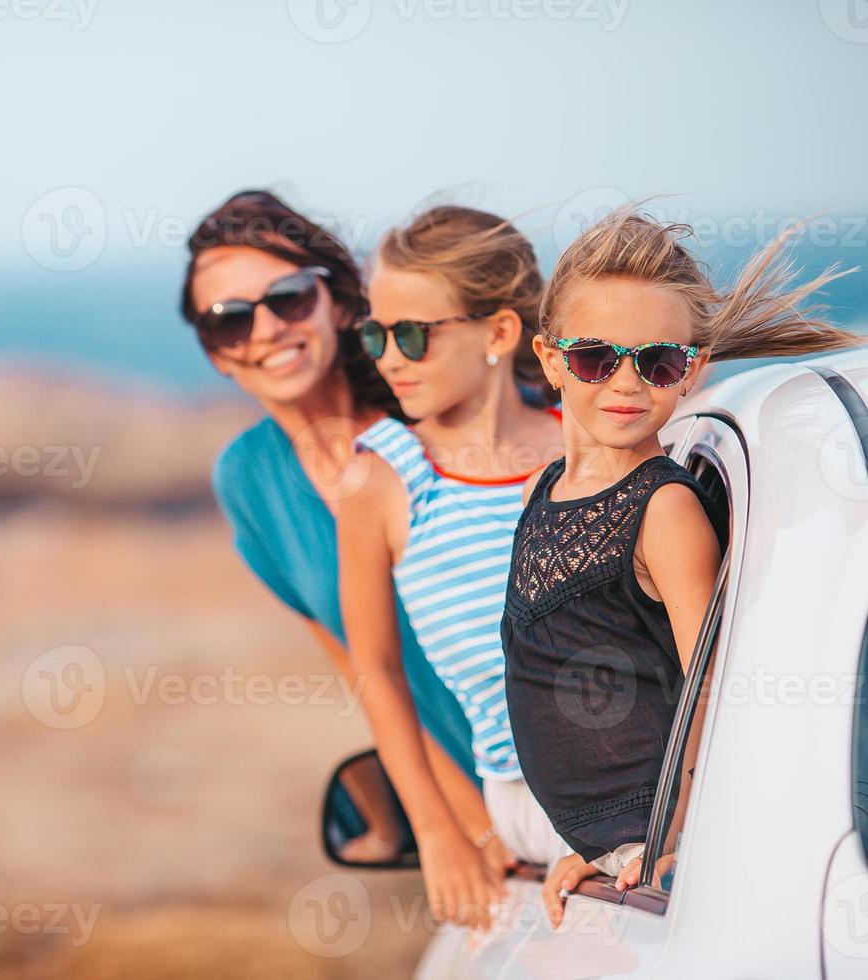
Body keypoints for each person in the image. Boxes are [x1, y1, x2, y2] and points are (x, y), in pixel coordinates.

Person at [501, 206, 866, 927]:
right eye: (595, 358)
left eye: (658, 361)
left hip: (663, 847)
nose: (627, 383)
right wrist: (597, 851)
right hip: (613, 852)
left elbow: (713, 689)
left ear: (692, 369)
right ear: (550, 361)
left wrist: (669, 843)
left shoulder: (663, 509)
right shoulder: (541, 487)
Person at [179, 190, 501, 900]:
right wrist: (458, 829)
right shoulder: (248, 481)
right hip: (486, 810)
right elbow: (370, 675)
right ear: (217, 355)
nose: (265, 329)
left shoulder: (432, 418)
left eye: (288, 298)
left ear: (341, 304)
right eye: (231, 319)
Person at [337, 205, 568, 931]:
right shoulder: (382, 483)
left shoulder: (587, 446)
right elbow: (373, 666)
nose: (388, 358)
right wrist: (439, 831)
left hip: (657, 778)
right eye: (376, 334)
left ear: (499, 333)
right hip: (534, 805)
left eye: (411, 335)